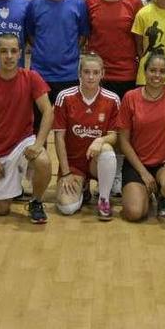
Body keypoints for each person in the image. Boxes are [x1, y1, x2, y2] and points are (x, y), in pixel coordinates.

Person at [0, 33, 53, 224]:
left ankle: (36, 201)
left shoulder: (31, 77)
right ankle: (13, 184)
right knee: (2, 210)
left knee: (43, 162)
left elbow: (48, 111)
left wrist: (39, 143)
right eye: (4, 51)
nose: (9, 56)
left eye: (13, 51)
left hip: (24, 143)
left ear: (20, 54)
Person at [116, 51, 165, 221]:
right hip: (137, 163)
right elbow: (123, 140)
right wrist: (143, 172)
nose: (157, 75)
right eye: (152, 70)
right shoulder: (130, 97)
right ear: (144, 71)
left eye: (162, 71)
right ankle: (146, 192)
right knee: (134, 213)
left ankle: (164, 195)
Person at [53, 53, 121, 220]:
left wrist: (101, 140)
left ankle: (104, 199)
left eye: (96, 72)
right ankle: (82, 187)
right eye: (86, 72)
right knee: (67, 208)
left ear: (102, 74)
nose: (91, 77)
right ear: (79, 73)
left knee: (107, 150)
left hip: (96, 162)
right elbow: (59, 138)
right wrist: (66, 172)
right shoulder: (64, 97)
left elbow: (114, 136)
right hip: (73, 165)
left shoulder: (112, 100)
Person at [25, 0, 90, 105]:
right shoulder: (33, 5)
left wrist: (67, 52)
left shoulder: (78, 4)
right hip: (39, 75)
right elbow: (30, 36)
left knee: (66, 125)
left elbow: (82, 36)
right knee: (39, 124)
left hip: (69, 75)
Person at [85, 0, 143, 98]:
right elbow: (85, 36)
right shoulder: (90, 2)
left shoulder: (134, 3)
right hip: (97, 75)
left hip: (126, 75)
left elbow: (139, 43)